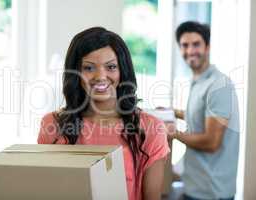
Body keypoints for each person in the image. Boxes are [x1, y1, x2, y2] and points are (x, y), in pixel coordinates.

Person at [37, 27, 170, 200]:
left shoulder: (150, 128)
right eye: (89, 68)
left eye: (111, 67)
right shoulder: (52, 125)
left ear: (123, 71)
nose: (100, 76)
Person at [170, 21, 240, 200]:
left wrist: (172, 133)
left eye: (196, 44)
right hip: (194, 185)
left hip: (211, 192)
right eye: (185, 45)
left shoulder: (218, 84)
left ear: (207, 47)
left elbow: (211, 141)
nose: (190, 51)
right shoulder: (198, 81)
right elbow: (202, 117)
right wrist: (172, 113)